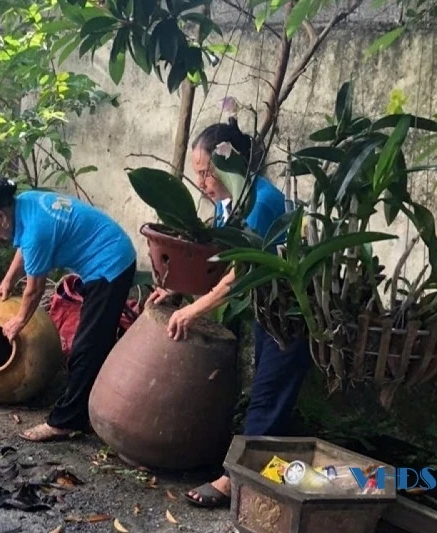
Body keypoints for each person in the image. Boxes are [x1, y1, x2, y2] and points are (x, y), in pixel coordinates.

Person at [148, 118, 312, 508]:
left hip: (291, 310)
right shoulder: (229, 204)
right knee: (269, 394)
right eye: (198, 175)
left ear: (228, 163)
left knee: (267, 396)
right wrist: (175, 287)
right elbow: (215, 261)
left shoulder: (260, 200)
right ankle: (269, 479)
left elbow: (241, 272)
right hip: (266, 308)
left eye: (206, 173)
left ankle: (232, 481)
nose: (203, 183)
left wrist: (194, 310)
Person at [0, 180, 136, 442]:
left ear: (0, 216)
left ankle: (65, 422)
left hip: (110, 264)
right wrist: (8, 281)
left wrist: (19, 321)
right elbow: (23, 247)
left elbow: (33, 290)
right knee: (95, 342)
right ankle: (92, 407)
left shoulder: (36, 232)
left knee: (86, 349)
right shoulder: (24, 205)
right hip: (107, 255)